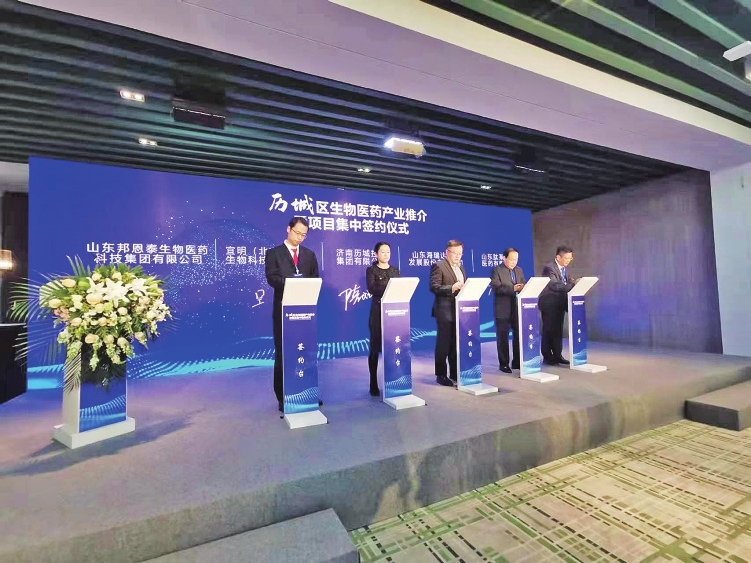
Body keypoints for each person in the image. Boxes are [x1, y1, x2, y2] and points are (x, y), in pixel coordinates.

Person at [264, 216, 320, 411]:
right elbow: (271, 278)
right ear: (288, 229)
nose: (300, 238)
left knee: (305, 351)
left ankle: (308, 391)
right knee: (283, 353)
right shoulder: (274, 253)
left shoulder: (309, 255)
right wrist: (292, 283)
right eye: (297, 233)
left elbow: (315, 279)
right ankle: (283, 396)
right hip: (283, 310)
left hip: (305, 312)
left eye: (303, 235)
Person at [365, 242, 400, 397]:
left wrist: (388, 286)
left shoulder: (395, 270)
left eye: (388, 252)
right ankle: (373, 382)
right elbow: (372, 288)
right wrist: (390, 286)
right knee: (375, 348)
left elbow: (400, 287)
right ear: (376, 254)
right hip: (378, 312)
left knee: (393, 347)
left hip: (394, 313)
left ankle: (393, 380)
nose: (386, 255)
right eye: (383, 252)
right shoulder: (371, 270)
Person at [430, 240, 466, 386]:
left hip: (458, 310)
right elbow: (434, 287)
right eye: (455, 253)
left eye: (460, 253)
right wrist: (452, 288)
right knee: (443, 344)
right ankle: (441, 374)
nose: (458, 256)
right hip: (444, 310)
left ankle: (455, 372)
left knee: (455, 343)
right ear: (447, 252)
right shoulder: (439, 266)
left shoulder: (461, 268)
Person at [539, 245, 576, 366]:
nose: (568, 261)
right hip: (549, 304)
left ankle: (557, 355)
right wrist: (572, 283)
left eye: (570, 258)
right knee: (549, 330)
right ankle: (547, 356)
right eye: (566, 258)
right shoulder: (549, 268)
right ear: (558, 257)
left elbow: (566, 283)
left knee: (558, 331)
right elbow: (555, 286)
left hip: (559, 304)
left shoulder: (564, 269)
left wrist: (572, 283)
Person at [490, 247, 525, 373]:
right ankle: (504, 363)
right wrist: (513, 288)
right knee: (503, 337)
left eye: (516, 260)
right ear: (504, 258)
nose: (514, 262)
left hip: (517, 307)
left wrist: (523, 287)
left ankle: (517, 361)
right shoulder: (497, 270)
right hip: (502, 308)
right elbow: (497, 288)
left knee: (519, 335)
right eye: (511, 259)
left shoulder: (519, 270)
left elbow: (523, 284)